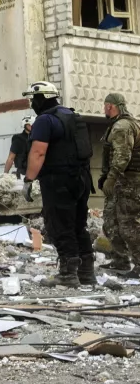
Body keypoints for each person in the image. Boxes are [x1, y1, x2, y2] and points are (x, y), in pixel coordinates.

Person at [22, 81, 95, 286]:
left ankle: (68, 274)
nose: (31, 103)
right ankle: (87, 273)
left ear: (41, 98)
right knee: (79, 226)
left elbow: (38, 152)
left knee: (60, 226)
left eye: (32, 99)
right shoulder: (73, 116)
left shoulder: (45, 120)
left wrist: (28, 180)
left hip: (58, 181)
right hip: (82, 179)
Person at [98, 93, 140, 274]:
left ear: (109, 106)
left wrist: (111, 177)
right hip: (120, 182)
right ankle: (120, 259)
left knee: (128, 225)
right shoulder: (120, 124)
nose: (104, 109)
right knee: (110, 222)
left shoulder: (122, 126)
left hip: (128, 182)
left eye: (104, 106)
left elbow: (123, 156)